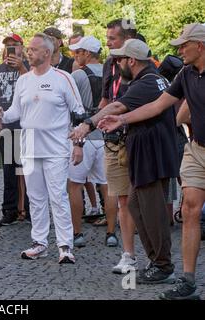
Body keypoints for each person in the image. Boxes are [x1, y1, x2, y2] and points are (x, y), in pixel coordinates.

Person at [97, 23, 205, 300]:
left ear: (200, 46)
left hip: (159, 152)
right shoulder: (185, 73)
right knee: (190, 210)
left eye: (184, 45)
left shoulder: (151, 78)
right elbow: (158, 105)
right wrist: (121, 119)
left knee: (154, 204)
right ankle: (187, 280)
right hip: (197, 149)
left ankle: (164, 265)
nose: (179, 50)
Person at [72, 39, 179, 285]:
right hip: (151, 154)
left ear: (131, 61)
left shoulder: (147, 82)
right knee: (136, 205)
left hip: (152, 157)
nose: (116, 63)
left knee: (151, 212)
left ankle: (163, 266)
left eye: (120, 59)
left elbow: (117, 106)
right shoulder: (153, 79)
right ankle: (157, 262)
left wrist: (87, 124)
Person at [0, 33, 85, 264]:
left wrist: (78, 144)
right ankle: (39, 243)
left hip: (56, 149)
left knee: (58, 197)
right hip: (30, 148)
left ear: (47, 52)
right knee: (36, 198)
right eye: (28, 50)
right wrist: (0, 114)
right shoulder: (23, 80)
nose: (27, 53)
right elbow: (14, 113)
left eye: (32, 49)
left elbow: (80, 113)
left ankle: (65, 246)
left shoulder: (63, 78)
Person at [67, 36, 117, 248]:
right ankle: (112, 233)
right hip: (107, 135)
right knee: (108, 187)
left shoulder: (77, 75)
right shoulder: (113, 73)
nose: (75, 55)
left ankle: (77, 233)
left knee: (74, 185)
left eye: (78, 52)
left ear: (88, 54)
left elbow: (70, 106)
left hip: (84, 135)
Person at [98, 18, 138, 273]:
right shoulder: (108, 64)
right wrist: (90, 123)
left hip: (139, 137)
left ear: (128, 39)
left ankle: (160, 259)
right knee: (123, 198)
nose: (108, 43)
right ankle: (129, 254)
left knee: (144, 198)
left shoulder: (140, 62)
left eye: (112, 38)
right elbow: (105, 99)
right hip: (114, 141)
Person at [0, 33, 30, 226]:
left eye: (15, 45)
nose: (11, 48)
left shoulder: (30, 68)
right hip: (6, 125)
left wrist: (21, 66)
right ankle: (10, 210)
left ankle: (31, 210)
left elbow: (32, 85)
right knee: (9, 170)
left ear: (22, 47)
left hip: (27, 125)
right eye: (8, 45)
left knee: (30, 169)